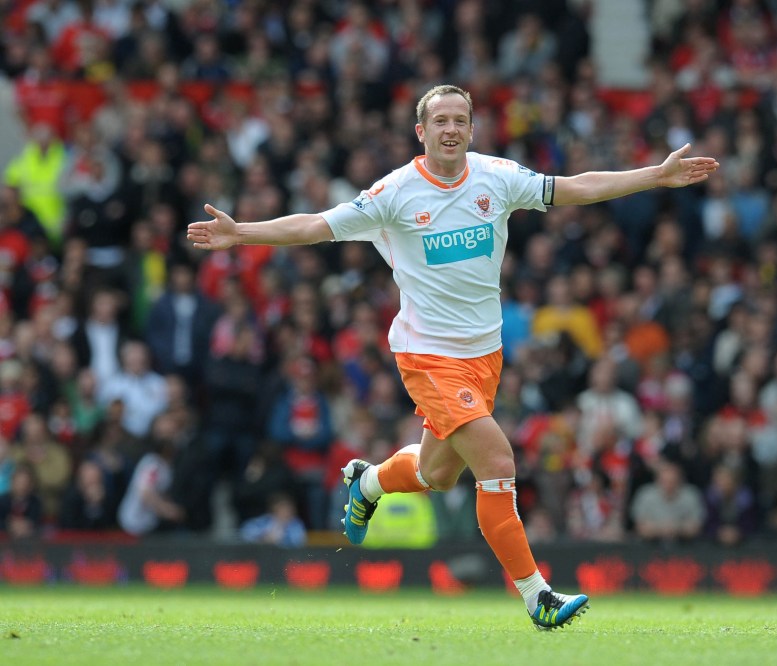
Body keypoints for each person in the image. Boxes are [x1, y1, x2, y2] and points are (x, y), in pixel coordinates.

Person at [188, 84, 718, 629]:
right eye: (439, 120)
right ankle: (538, 597)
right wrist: (241, 233)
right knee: (498, 463)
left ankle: (367, 483)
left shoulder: (497, 177)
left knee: (437, 474)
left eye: (459, 120)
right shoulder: (394, 193)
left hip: (485, 356)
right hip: (428, 356)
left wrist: (655, 174)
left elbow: (576, 187)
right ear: (421, 132)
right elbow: (314, 225)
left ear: (471, 128)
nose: (450, 129)